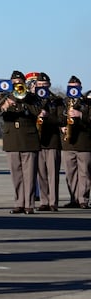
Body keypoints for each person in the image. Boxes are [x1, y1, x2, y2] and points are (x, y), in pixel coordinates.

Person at [0, 68, 41, 213]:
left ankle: (29, 205)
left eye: (19, 83)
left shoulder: (32, 98)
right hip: (12, 139)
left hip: (28, 139)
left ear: (24, 83)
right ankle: (19, 203)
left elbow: (38, 112)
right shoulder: (4, 96)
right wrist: (6, 105)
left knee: (29, 175)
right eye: (14, 83)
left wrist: (24, 101)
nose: (17, 85)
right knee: (16, 175)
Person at [33, 72, 65, 211]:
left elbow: (62, 120)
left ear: (49, 85)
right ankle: (44, 202)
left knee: (53, 174)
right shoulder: (32, 100)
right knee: (41, 174)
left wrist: (47, 116)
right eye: (39, 85)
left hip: (52, 141)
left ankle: (53, 202)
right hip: (37, 142)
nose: (42, 87)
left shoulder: (56, 100)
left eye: (44, 85)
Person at [63, 77, 90, 209]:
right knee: (70, 173)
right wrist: (62, 127)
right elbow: (57, 118)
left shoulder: (87, 102)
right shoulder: (64, 102)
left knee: (84, 173)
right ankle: (73, 199)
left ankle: (83, 200)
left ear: (80, 87)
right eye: (70, 86)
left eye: (75, 86)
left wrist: (80, 115)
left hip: (84, 143)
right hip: (69, 143)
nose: (73, 88)